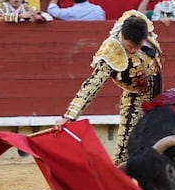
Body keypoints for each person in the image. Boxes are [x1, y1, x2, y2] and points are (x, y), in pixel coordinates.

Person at [54, 10, 163, 165]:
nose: (132, 50)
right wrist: (69, 116)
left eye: (136, 46)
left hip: (158, 98)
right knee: (123, 155)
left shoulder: (138, 24)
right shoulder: (112, 50)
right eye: (129, 46)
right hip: (135, 101)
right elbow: (93, 84)